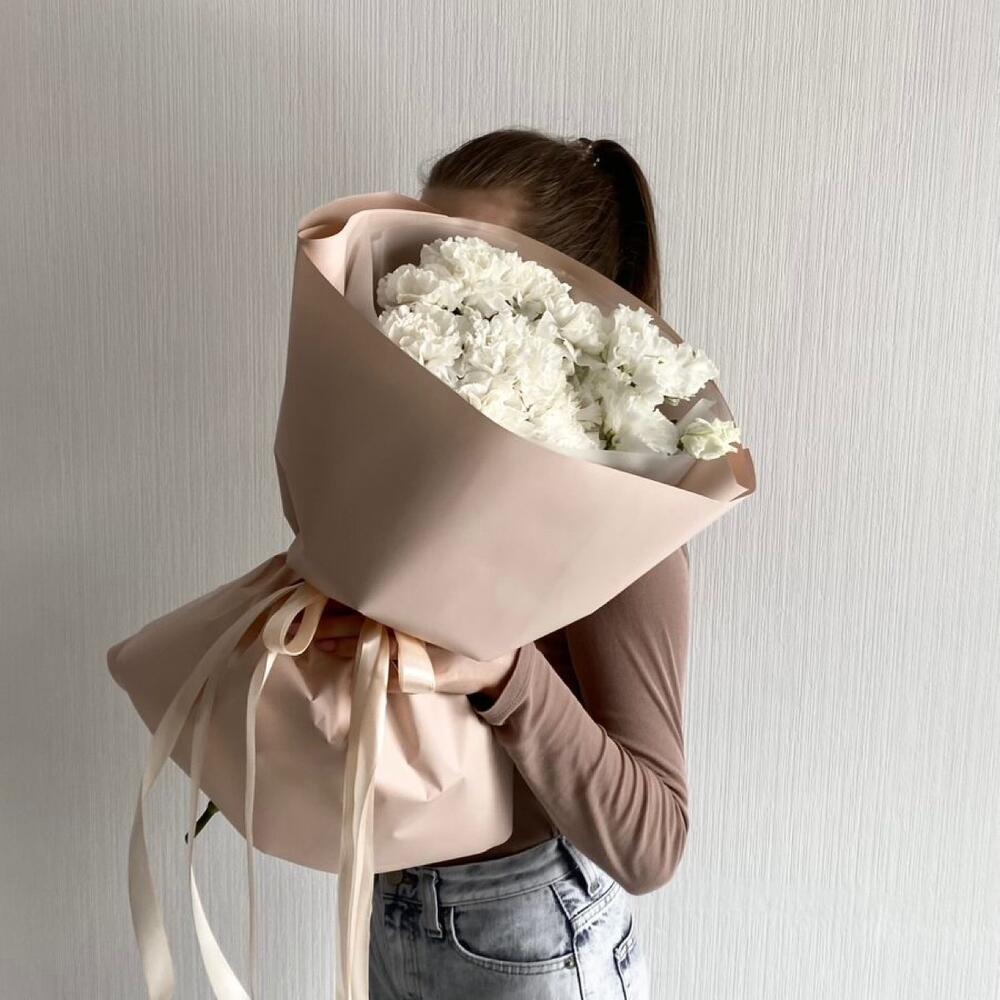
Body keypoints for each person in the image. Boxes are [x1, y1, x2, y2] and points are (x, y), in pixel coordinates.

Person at [313, 128, 690, 999]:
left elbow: (655, 843)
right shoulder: (410, 464)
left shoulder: (623, 507)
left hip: (531, 935)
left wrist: (500, 669)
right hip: (393, 895)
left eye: (478, 278)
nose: (438, 299)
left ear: (569, 303)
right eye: (427, 261)